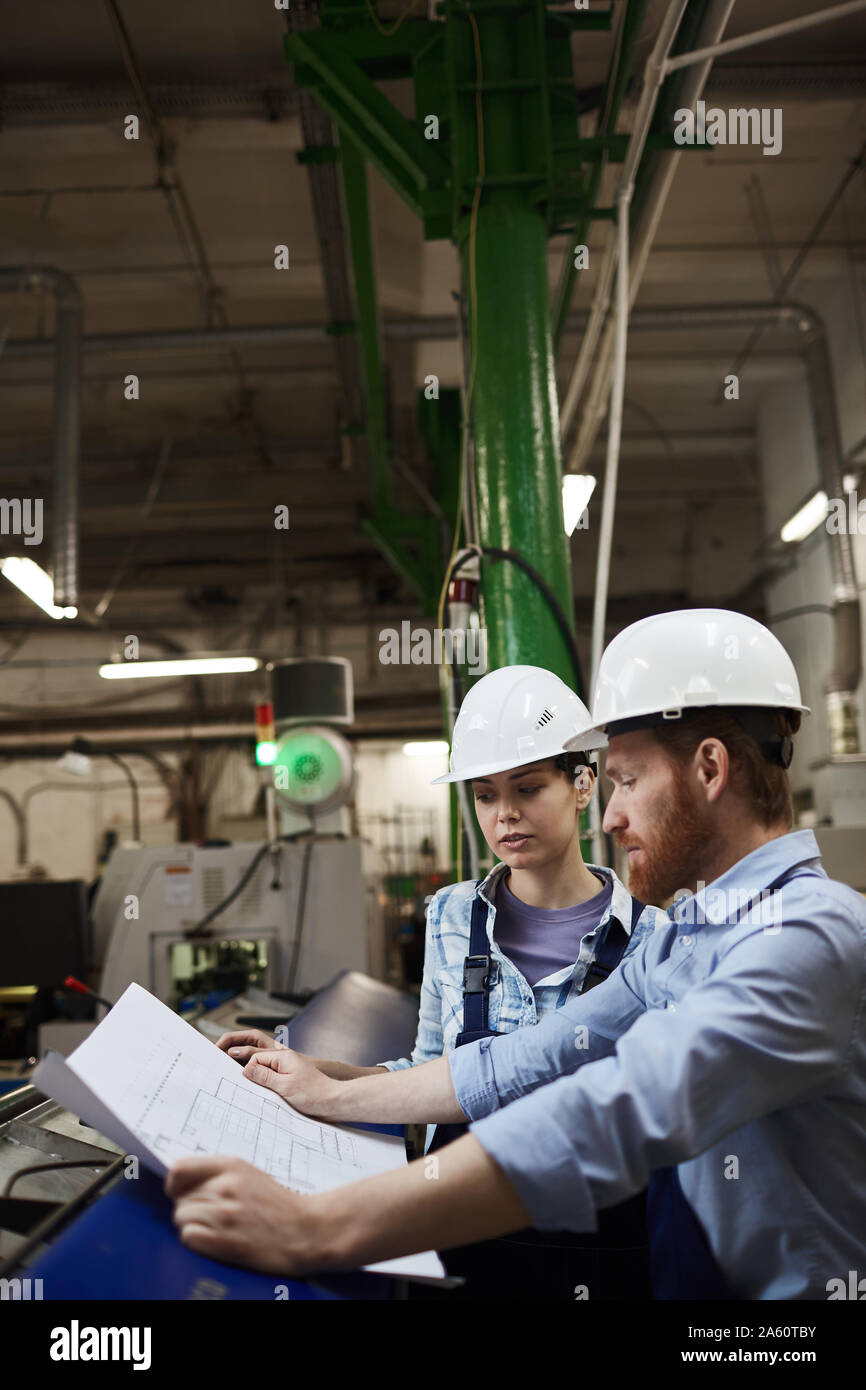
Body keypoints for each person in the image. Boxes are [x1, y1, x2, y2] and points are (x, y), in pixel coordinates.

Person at [167, 610, 866, 1301]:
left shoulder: (805, 938)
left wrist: (317, 1227)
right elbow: (531, 1058)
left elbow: (616, 1115)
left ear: (710, 767)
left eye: (625, 779)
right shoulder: (694, 935)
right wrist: (330, 1089)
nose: (612, 815)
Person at [215, 665, 666, 1298]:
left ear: (584, 784)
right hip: (460, 1232)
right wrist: (312, 1069)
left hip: (601, 1245)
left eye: (529, 788)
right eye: (484, 795)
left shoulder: (653, 940)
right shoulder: (453, 916)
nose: (505, 814)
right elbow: (431, 1067)